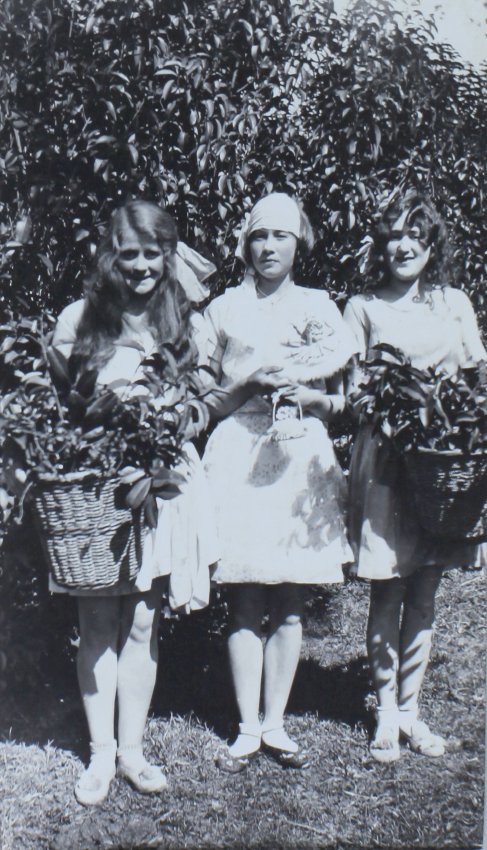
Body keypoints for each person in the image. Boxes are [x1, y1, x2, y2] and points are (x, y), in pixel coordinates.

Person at [51, 200, 218, 804]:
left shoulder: (184, 323)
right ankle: (98, 756)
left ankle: (133, 752)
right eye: (129, 254)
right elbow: (59, 404)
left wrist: (183, 418)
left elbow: (207, 397)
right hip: (97, 491)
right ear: (110, 257)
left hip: (161, 485)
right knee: (96, 617)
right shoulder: (80, 320)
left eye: (153, 254)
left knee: (144, 619)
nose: (141, 266)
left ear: (168, 256)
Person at [202, 192, 357, 771]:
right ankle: (246, 727)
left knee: (290, 599)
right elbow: (207, 395)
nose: (269, 248)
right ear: (246, 243)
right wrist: (246, 384)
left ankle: (276, 722)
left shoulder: (319, 305)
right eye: (259, 237)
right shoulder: (223, 309)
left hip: (297, 454)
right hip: (241, 451)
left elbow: (338, 377)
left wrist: (308, 393)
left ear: (300, 245)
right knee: (244, 598)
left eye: (281, 238)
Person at [344, 188, 487, 763]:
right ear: (381, 245)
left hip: (441, 459)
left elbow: (476, 375)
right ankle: (383, 712)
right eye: (393, 236)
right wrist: (390, 408)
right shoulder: (364, 308)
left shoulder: (453, 304)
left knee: (426, 589)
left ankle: (411, 710)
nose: (403, 246)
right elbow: (351, 393)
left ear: (433, 244)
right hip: (385, 461)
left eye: (415, 235)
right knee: (389, 584)